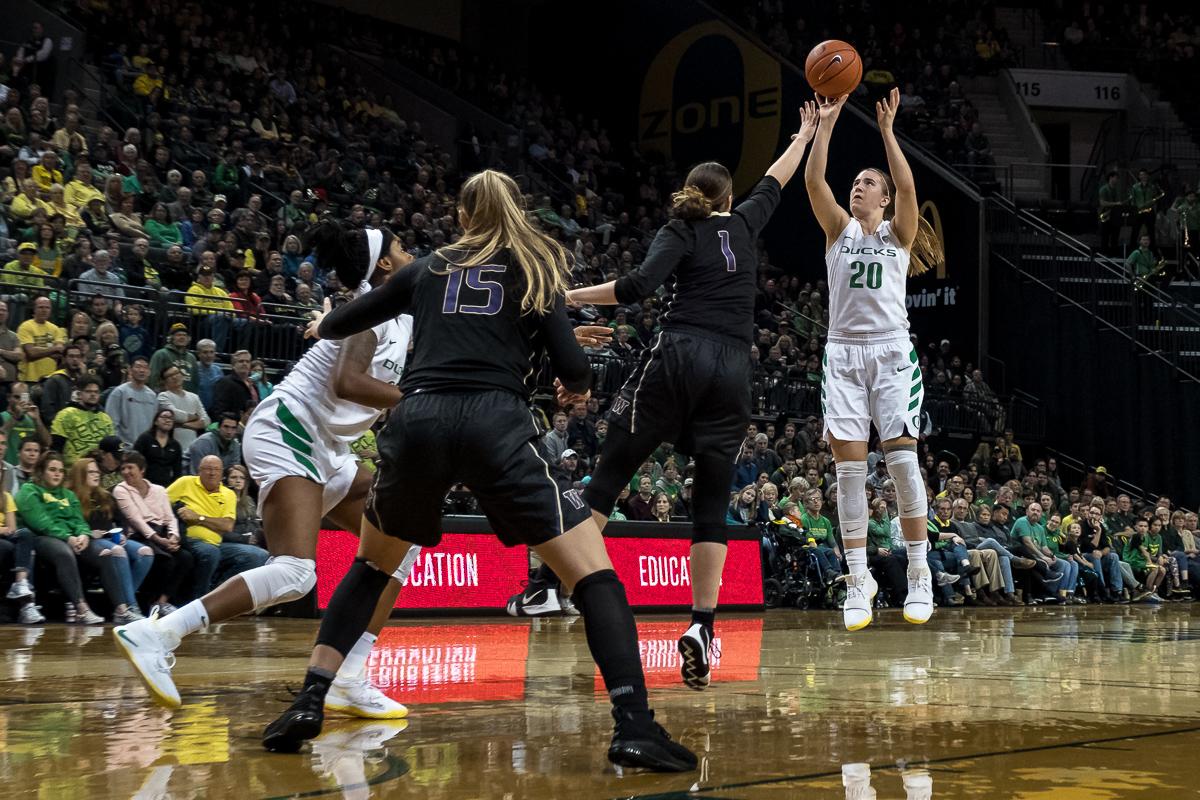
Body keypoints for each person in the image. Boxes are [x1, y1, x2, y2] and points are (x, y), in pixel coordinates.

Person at [254, 170, 695, 770]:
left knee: (371, 566)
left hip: (420, 419)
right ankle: (634, 725)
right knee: (594, 576)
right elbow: (574, 369)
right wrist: (571, 383)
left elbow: (342, 322)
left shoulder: (424, 268)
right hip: (495, 422)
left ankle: (310, 699)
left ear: (462, 217)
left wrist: (323, 323)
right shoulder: (534, 268)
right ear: (515, 209)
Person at [536, 104, 818, 692]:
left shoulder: (680, 230)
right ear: (729, 197)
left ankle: (552, 587)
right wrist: (809, 132)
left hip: (680, 354)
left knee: (608, 479)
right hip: (734, 367)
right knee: (711, 504)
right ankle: (701, 625)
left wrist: (570, 297)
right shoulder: (746, 222)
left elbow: (637, 286)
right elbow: (779, 176)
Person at [116, 221, 418, 722]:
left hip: (328, 445)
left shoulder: (396, 311)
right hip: (288, 428)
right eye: (403, 246)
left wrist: (325, 322)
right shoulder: (371, 311)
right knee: (295, 573)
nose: (413, 253)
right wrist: (414, 401)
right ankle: (159, 633)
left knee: (398, 545)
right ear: (384, 263)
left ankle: (349, 678)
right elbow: (347, 382)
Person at [802, 88, 947, 630]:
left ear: (883, 200)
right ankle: (859, 579)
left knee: (903, 461)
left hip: (890, 351)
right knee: (849, 472)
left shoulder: (898, 235)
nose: (857, 187)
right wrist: (826, 124)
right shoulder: (837, 231)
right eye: (856, 182)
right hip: (843, 353)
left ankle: (918, 571)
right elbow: (814, 181)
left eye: (868, 183)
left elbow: (908, 186)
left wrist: (887, 132)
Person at [17, 452, 109, 624]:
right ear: (41, 471)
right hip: (41, 538)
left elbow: (79, 521)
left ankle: (121, 609)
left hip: (71, 538)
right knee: (64, 553)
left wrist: (84, 535)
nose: (57, 474)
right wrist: (67, 537)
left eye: (60, 470)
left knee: (106, 553)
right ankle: (82, 609)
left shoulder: (68, 494)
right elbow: (41, 522)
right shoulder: (28, 491)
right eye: (52, 470)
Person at [164, 455, 268, 602]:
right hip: (191, 539)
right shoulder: (185, 482)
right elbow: (161, 502)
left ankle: (218, 593)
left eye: (216, 469)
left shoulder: (228, 494)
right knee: (210, 552)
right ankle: (199, 601)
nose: (212, 473)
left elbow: (227, 525)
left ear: (221, 473)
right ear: (199, 470)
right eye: (208, 469)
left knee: (260, 555)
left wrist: (198, 517)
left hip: (218, 543)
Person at [67, 457, 153, 622]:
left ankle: (120, 601)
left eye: (97, 472)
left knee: (145, 552)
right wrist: (89, 533)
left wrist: (122, 533)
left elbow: (121, 520)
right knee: (117, 551)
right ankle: (129, 606)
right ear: (80, 474)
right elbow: (71, 523)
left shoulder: (105, 495)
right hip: (88, 540)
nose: (96, 475)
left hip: (110, 536)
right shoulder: (71, 496)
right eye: (91, 472)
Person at [113, 451, 194, 617]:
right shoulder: (121, 490)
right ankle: (147, 604)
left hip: (161, 533)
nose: (126, 472)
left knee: (186, 558)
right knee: (165, 561)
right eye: (123, 468)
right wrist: (160, 540)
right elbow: (136, 520)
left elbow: (170, 517)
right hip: (139, 535)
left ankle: (162, 602)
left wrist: (173, 537)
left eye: (130, 467)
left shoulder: (159, 490)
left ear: (142, 469)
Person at [50, 375, 116, 465]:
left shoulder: (106, 419)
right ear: (79, 394)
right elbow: (56, 447)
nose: (93, 394)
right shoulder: (66, 414)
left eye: (96, 392)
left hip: (99, 469)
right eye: (88, 391)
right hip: (72, 469)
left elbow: (111, 449)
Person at [156, 365, 209, 462]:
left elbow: (206, 421)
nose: (175, 377)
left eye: (176, 373)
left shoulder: (194, 397)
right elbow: (175, 415)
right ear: (164, 381)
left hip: (192, 450)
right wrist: (195, 417)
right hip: (171, 448)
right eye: (170, 376)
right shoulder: (163, 396)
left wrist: (182, 425)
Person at [105, 355, 158, 445]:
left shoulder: (152, 396)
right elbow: (111, 422)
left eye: (145, 367)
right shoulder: (119, 392)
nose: (142, 370)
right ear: (130, 370)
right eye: (138, 367)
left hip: (146, 447)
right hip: (125, 447)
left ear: (149, 372)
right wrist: (117, 445)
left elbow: (154, 425)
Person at [17, 296, 65, 384]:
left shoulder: (55, 329)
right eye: (41, 307)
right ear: (34, 309)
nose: (44, 310)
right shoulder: (25, 326)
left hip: (49, 379)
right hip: (29, 379)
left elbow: (60, 353)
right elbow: (31, 353)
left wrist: (39, 351)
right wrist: (53, 349)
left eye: (47, 307)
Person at [134, 408, 183, 487]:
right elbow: (135, 461)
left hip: (166, 487)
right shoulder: (144, 439)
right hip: (145, 484)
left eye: (171, 418)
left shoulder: (175, 445)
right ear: (156, 421)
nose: (168, 420)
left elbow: (177, 471)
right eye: (164, 417)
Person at [209, 350, 259, 420]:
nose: (245, 364)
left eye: (247, 361)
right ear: (233, 365)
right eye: (241, 361)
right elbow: (218, 411)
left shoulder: (254, 386)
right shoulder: (225, 382)